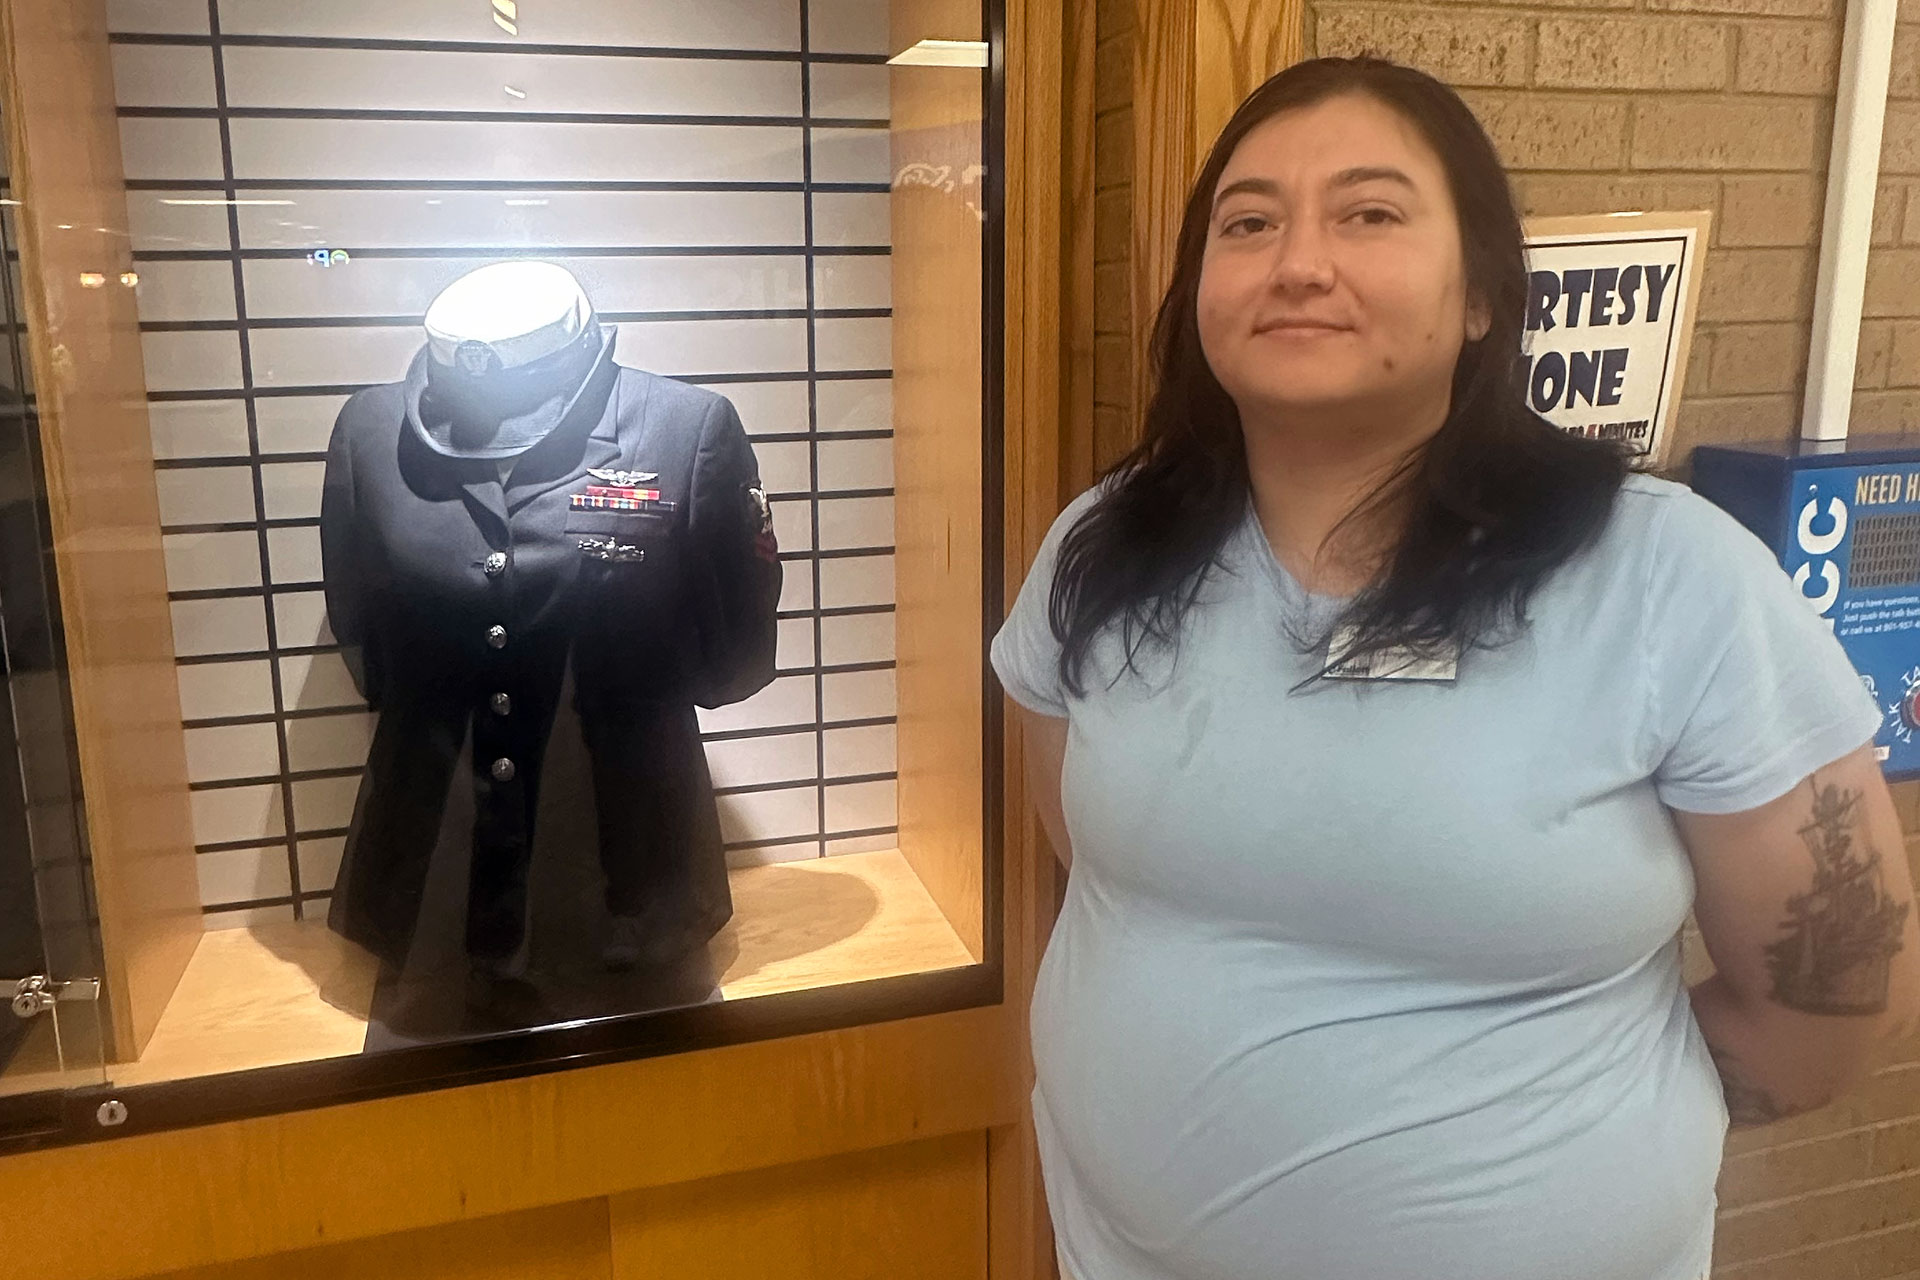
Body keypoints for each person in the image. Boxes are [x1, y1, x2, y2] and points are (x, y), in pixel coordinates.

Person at [990, 55, 1920, 1280]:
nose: (1298, 261)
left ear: (1483, 294)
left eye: (1369, 213)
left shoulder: (1668, 575)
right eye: (1248, 223)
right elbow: (1091, 856)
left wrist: (1568, 1125)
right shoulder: (1103, 547)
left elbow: (1833, 995)